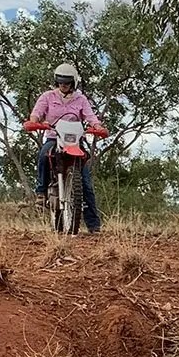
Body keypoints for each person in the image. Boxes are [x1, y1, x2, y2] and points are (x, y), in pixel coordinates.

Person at [26, 63, 107, 233]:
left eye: (67, 82)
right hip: (55, 139)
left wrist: (97, 126)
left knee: (85, 183)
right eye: (60, 82)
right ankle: (41, 192)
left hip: (74, 142)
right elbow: (37, 113)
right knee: (43, 155)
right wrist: (34, 121)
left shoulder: (81, 99)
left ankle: (93, 225)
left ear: (73, 83)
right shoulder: (47, 96)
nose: (63, 85)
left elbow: (90, 116)